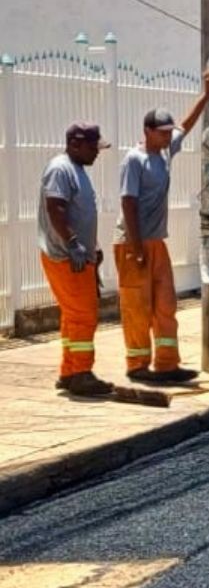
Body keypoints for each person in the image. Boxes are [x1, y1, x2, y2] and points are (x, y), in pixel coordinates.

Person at [114, 69, 209, 384]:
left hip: (156, 241)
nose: (166, 137)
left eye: (166, 133)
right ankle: (137, 365)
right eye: (160, 133)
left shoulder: (164, 153)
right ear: (146, 131)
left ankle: (167, 364)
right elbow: (128, 203)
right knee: (137, 306)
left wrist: (207, 93)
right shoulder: (134, 160)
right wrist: (135, 248)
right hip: (132, 242)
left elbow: (185, 126)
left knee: (165, 303)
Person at [38, 122, 113, 398]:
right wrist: (73, 244)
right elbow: (55, 207)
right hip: (67, 257)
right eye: (93, 148)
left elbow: (79, 212)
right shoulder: (61, 169)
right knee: (83, 316)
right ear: (74, 144)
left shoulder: (76, 169)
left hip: (77, 255)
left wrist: (92, 247)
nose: (97, 153)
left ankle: (69, 372)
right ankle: (81, 373)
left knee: (73, 316)